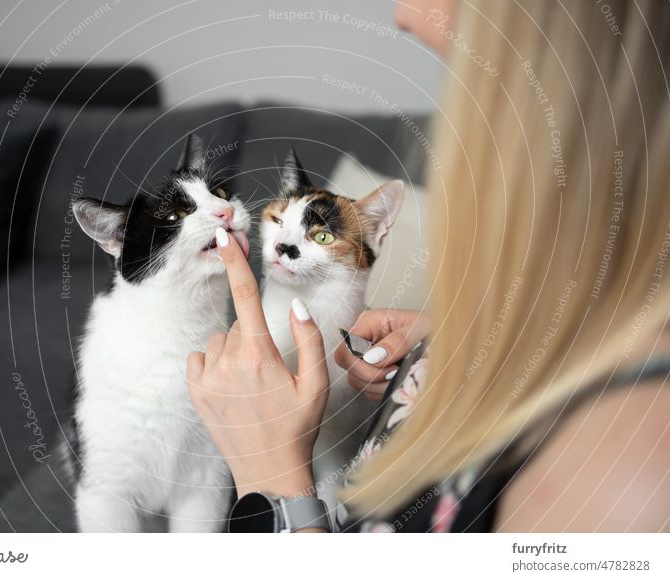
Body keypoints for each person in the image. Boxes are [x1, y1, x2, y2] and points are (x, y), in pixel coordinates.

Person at [186, 0, 670, 532]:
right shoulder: (575, 342)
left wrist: (274, 476)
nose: (403, 14)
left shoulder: (628, 468)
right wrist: (451, 344)